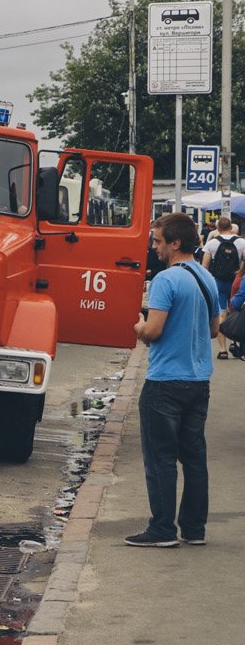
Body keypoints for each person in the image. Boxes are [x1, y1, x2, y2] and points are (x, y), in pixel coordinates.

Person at [130, 212, 218, 547]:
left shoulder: (165, 280)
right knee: (194, 458)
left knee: (160, 458)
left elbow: (153, 331)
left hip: (164, 382)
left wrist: (139, 326)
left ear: (175, 242)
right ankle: (194, 529)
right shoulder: (206, 278)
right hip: (199, 381)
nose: (155, 247)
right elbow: (213, 329)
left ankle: (162, 528)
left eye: (157, 241)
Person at [200, 216, 245, 359]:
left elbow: (205, 266)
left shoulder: (212, 243)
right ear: (231, 227)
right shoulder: (241, 242)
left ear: (217, 228)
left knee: (221, 314)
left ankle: (222, 350)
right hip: (236, 281)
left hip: (218, 281)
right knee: (236, 311)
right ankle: (234, 343)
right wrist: (240, 273)